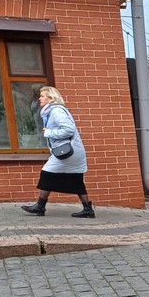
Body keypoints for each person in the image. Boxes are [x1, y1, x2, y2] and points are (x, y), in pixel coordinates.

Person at [20, 86, 94, 218]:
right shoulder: (51, 111)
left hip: (68, 152)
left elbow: (69, 130)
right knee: (75, 179)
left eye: (42, 96)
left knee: (47, 172)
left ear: (51, 98)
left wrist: (49, 132)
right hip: (69, 151)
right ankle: (87, 209)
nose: (39, 98)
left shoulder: (56, 111)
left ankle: (40, 206)